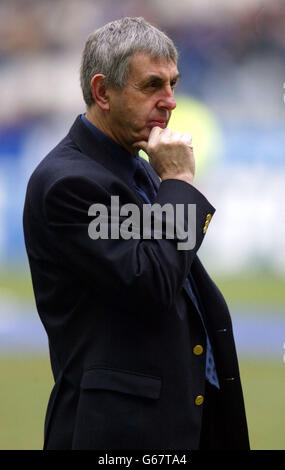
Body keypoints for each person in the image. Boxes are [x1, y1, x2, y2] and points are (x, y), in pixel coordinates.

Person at [23, 17, 249, 450]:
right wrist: (180, 184)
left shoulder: (135, 165)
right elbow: (153, 282)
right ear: (103, 91)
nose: (170, 102)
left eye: (173, 84)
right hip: (119, 434)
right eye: (152, 86)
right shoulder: (69, 182)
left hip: (175, 422)